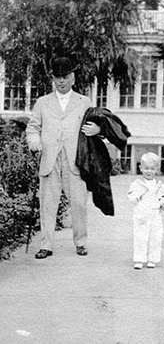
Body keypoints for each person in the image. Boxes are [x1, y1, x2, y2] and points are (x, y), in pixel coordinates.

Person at [26, 57, 100, 259]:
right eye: (58, 77)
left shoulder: (83, 102)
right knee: (48, 203)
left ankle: (81, 242)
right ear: (53, 79)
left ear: (73, 78)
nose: (62, 81)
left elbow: (96, 125)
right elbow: (33, 128)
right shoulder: (42, 102)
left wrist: (97, 129)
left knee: (78, 203)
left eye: (65, 77)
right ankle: (46, 245)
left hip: (75, 161)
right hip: (50, 159)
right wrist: (34, 141)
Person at [127, 152, 164, 269]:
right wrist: (138, 195)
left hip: (155, 214)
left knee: (155, 237)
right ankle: (139, 259)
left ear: (157, 169)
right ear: (140, 168)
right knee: (140, 237)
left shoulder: (159, 185)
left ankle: (153, 259)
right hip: (141, 214)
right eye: (146, 168)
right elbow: (131, 197)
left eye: (152, 169)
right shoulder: (137, 184)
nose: (149, 171)